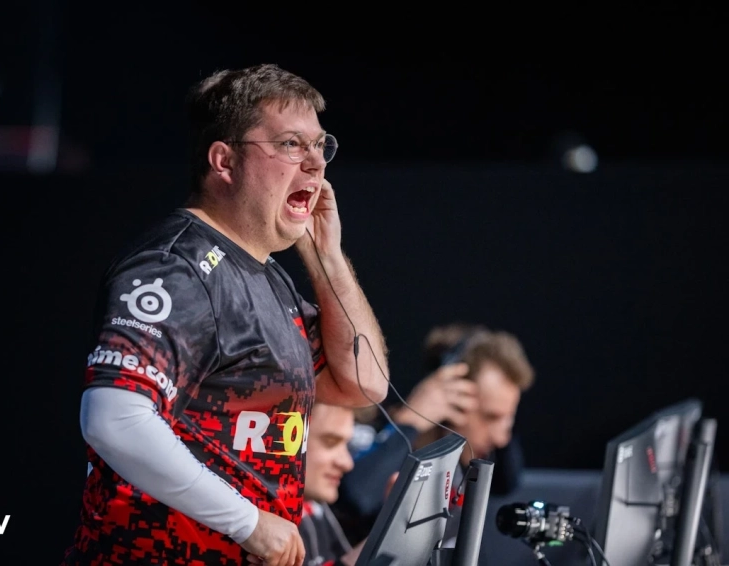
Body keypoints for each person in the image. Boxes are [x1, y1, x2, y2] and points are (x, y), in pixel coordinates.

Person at [60, 63, 390, 566]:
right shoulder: (177, 265)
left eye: (320, 146)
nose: (315, 165)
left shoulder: (267, 277)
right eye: (290, 145)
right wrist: (248, 523)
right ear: (224, 161)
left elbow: (365, 385)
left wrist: (328, 258)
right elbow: (113, 418)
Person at [332, 322, 535, 547]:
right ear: (452, 396)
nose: (502, 439)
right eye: (491, 417)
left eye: (509, 419)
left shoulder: (467, 456)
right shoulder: (383, 440)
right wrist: (412, 419)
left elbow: (507, 482)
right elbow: (356, 498)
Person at [297, 402, 360, 566]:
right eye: (330, 442)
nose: (347, 463)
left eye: (347, 445)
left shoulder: (314, 504)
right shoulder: (250, 525)